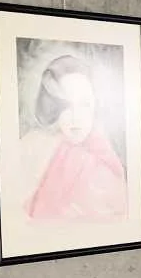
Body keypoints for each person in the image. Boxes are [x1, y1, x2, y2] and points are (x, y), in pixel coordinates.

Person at [21, 54, 127, 220]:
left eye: (84, 104)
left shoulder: (104, 165)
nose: (76, 116)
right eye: (65, 105)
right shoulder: (41, 147)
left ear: (95, 105)